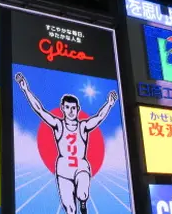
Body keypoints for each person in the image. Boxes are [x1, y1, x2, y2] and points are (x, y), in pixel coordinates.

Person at [15, 72, 117, 214]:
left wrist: (109, 104)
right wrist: (25, 89)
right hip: (63, 169)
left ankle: (83, 203)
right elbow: (39, 110)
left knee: (82, 194)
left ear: (78, 109)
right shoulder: (58, 125)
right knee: (69, 209)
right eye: (67, 107)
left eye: (73, 108)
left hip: (81, 166)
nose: (70, 111)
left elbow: (99, 117)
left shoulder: (83, 126)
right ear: (62, 108)